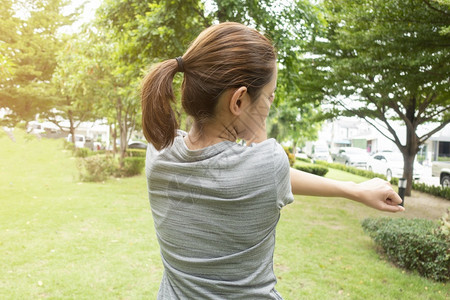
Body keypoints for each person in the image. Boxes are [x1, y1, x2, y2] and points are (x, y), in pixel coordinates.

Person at [141, 22, 404, 299]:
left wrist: (355, 190)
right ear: (239, 101)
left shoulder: (158, 152)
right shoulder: (268, 164)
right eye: (269, 95)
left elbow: (253, 169)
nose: (270, 104)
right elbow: (263, 165)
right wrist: (255, 123)